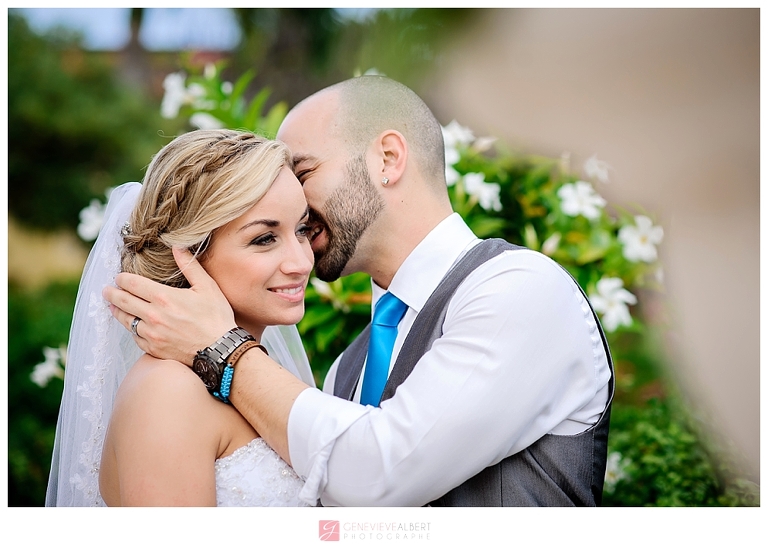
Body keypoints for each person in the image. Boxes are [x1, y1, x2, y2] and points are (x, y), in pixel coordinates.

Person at [105, 75, 615, 507]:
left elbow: (376, 472)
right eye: (265, 233)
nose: (292, 196)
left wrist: (222, 348)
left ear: (388, 158)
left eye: (302, 171)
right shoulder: (349, 368)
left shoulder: (521, 292)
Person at [46, 129, 317, 506]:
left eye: (302, 229)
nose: (303, 262)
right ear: (189, 254)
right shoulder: (168, 391)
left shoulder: (260, 369)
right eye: (264, 239)